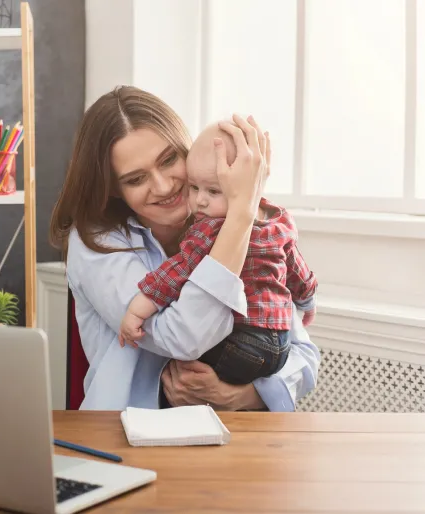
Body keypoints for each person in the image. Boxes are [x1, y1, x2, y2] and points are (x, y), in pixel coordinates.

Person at [49, 85, 320, 411]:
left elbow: (301, 353)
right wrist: (240, 216)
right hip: (129, 431)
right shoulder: (96, 242)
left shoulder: (219, 213)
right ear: (114, 190)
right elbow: (182, 338)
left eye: (168, 160)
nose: (163, 186)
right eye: (136, 179)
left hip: (228, 430)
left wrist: (238, 397)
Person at [118, 122, 318, 386]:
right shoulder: (279, 222)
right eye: (194, 187)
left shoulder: (210, 229)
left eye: (213, 191)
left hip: (242, 344)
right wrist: (307, 303)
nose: (200, 200)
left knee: (171, 370)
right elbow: (297, 272)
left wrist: (138, 309)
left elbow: (176, 271)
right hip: (279, 345)